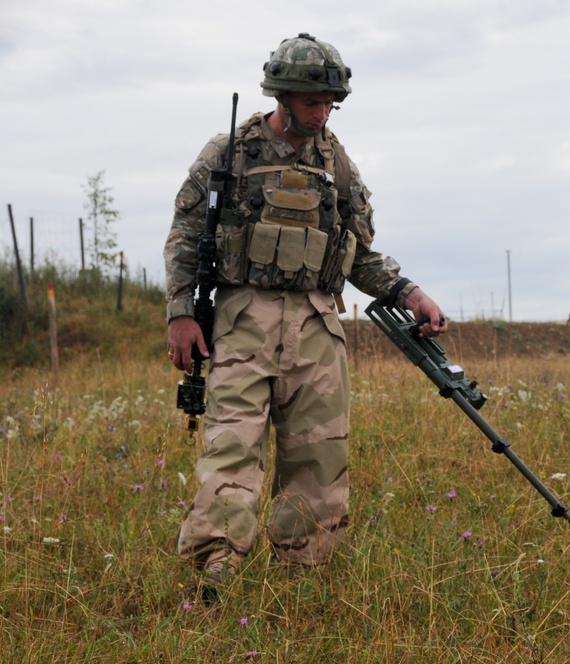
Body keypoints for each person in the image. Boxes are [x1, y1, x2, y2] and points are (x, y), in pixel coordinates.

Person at [164, 34, 447, 584]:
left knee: (319, 454)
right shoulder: (229, 153)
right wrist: (180, 313)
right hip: (243, 317)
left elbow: (358, 254)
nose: (321, 113)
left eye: (329, 104)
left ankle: (304, 571)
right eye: (312, 102)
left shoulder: (335, 163)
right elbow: (185, 236)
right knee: (232, 447)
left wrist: (408, 292)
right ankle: (213, 571)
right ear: (283, 96)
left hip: (318, 324)